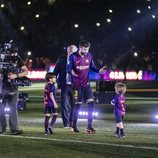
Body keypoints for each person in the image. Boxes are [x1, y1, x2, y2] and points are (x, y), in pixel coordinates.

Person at [67, 40, 106, 133]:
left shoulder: (89, 55)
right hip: (76, 86)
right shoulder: (73, 57)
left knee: (91, 104)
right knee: (78, 106)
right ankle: (74, 125)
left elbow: (92, 67)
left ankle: (89, 126)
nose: (86, 51)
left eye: (87, 49)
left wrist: (98, 71)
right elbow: (68, 69)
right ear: (79, 48)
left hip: (86, 84)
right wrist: (71, 72)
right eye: (84, 49)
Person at [0, 46, 28, 135]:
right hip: (2, 87)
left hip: (14, 87)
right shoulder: (2, 58)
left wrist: (17, 75)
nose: (14, 55)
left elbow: (26, 71)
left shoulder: (17, 58)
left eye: (15, 53)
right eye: (12, 53)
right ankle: (1, 127)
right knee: (1, 108)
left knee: (13, 109)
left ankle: (14, 129)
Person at [53, 45, 78, 128]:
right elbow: (55, 73)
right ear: (67, 51)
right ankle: (66, 123)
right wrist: (55, 85)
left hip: (75, 86)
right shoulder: (61, 59)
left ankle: (72, 122)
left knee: (75, 105)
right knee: (64, 104)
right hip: (64, 86)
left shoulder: (79, 61)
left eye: (73, 51)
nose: (71, 53)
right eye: (70, 51)